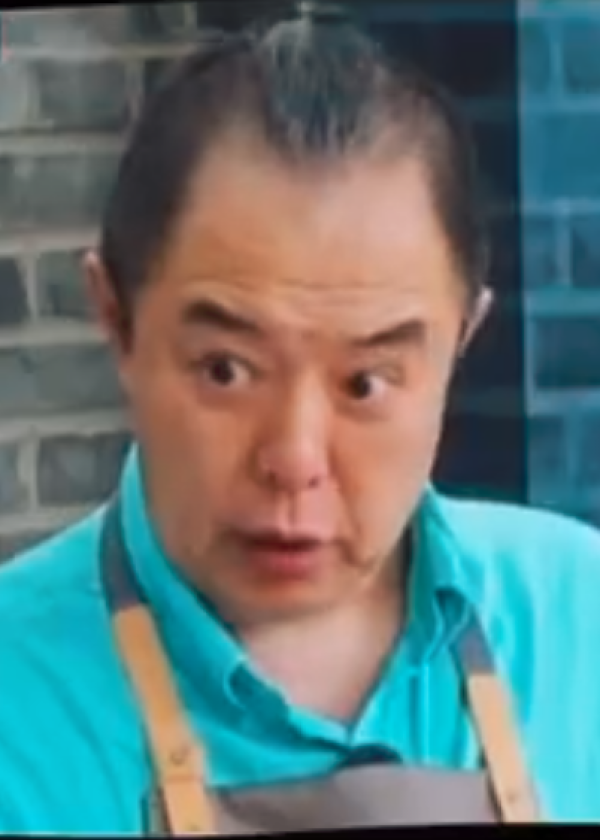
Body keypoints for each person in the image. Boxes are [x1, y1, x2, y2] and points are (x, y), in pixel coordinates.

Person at [0, 6, 599, 833]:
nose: (294, 457)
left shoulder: (577, 617)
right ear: (117, 321)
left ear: (460, 344)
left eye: (366, 383)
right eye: (226, 370)